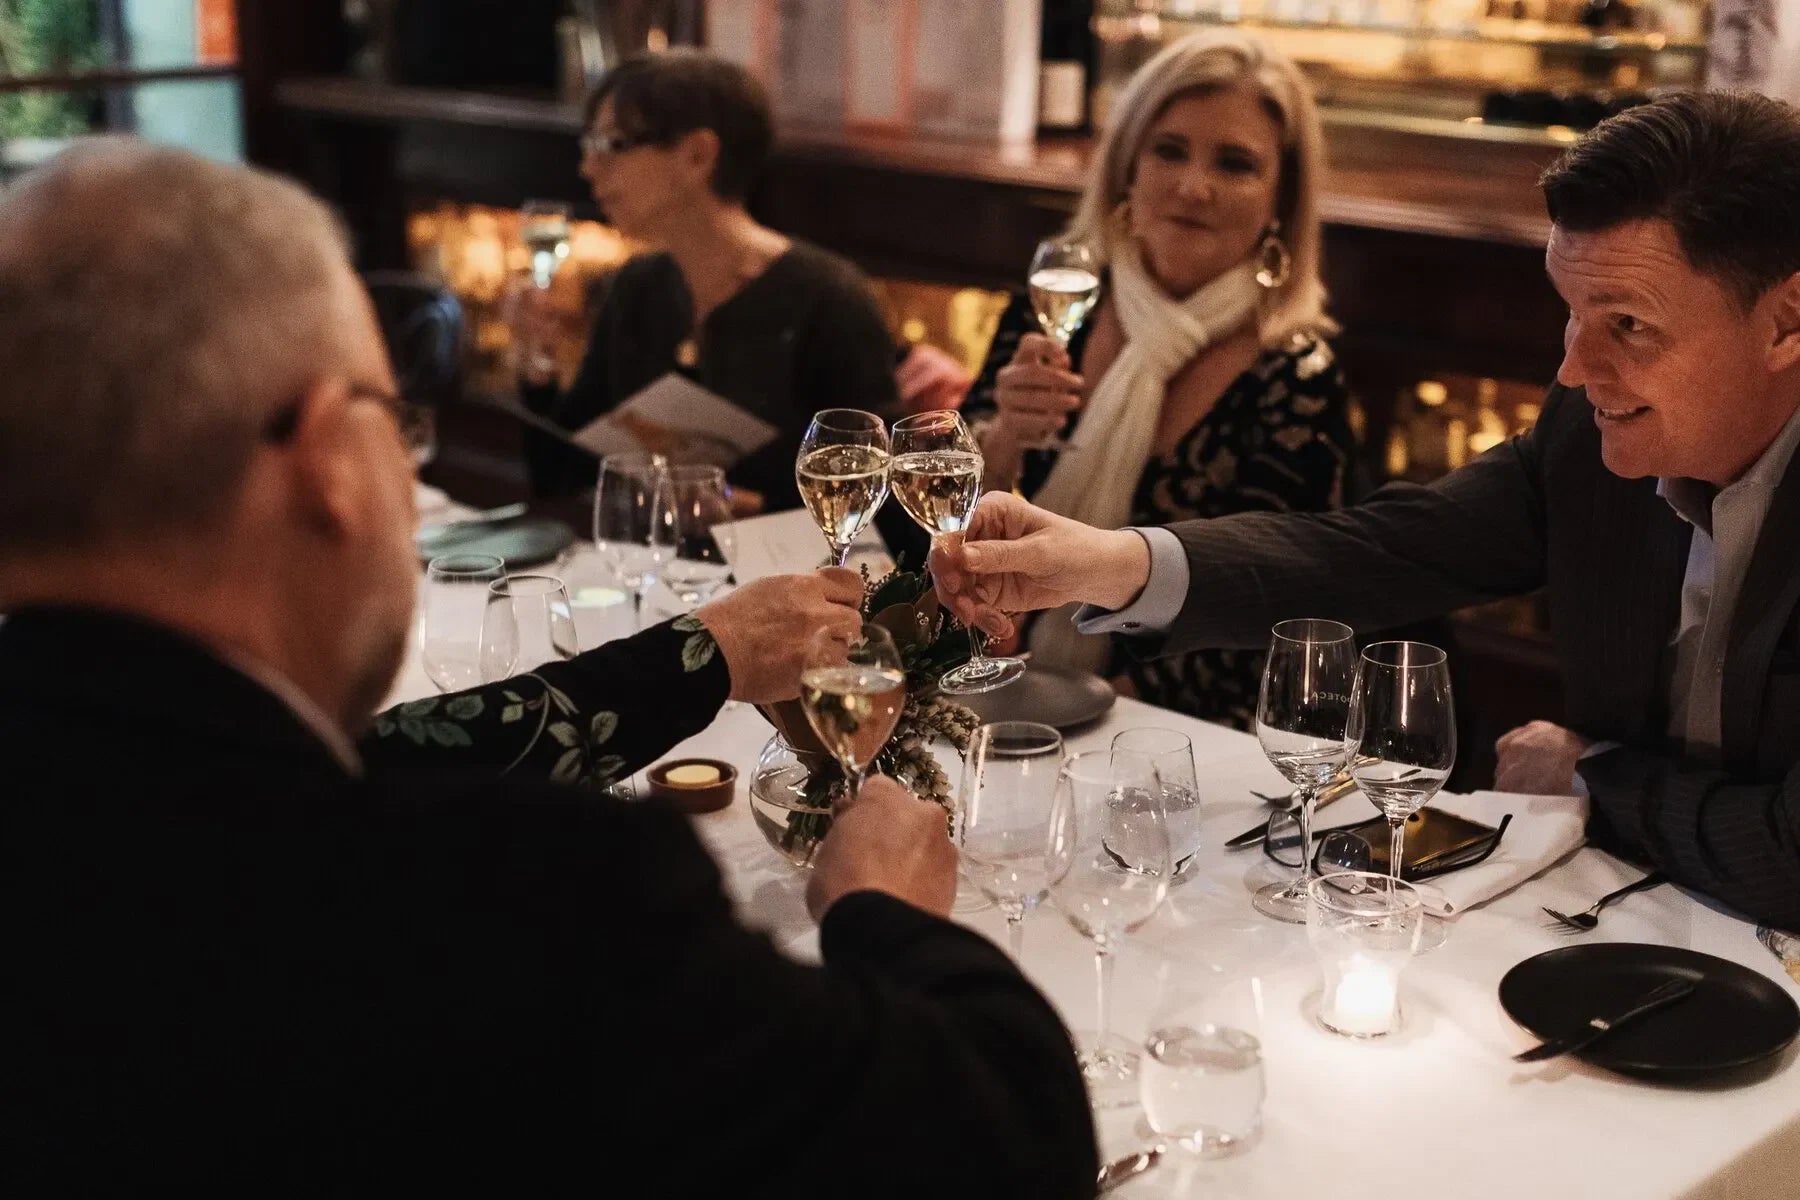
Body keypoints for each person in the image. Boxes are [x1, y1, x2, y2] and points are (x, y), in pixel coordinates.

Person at [0, 139, 1098, 1196]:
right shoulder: (530, 905)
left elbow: (374, 764)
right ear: (332, 459)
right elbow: (1003, 1137)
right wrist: (883, 911)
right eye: (394, 418)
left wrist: (701, 655)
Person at [935, 90, 1800, 931]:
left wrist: (1593, 776)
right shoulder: (1587, 436)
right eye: (1571, 314)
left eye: (1628, 326)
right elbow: (1372, 551)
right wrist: (1105, 562)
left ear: (1786, 320)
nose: (1574, 370)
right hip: (1629, 927)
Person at [962, 30, 1354, 727]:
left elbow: (1273, 617)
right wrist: (1004, 441)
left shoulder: (1296, 377)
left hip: (1177, 737)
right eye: (1169, 150)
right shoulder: (1055, 310)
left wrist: (1085, 721)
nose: (1192, 186)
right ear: (1127, 169)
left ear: (1279, 204)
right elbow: (934, 541)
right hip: (1000, 695)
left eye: (1234, 164)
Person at [513, 48, 900, 517]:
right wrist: (536, 362)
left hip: (791, 581)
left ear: (698, 155)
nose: (587, 168)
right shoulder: (638, 288)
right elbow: (557, 476)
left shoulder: (828, 299)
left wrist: (741, 504)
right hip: (653, 569)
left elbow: (882, 499)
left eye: (610, 145)